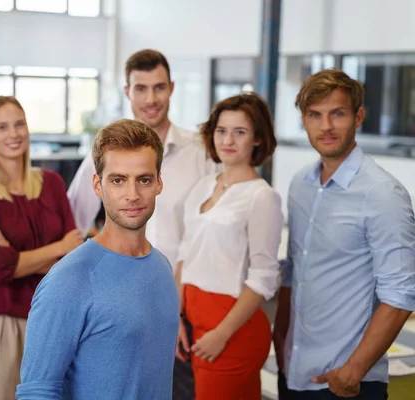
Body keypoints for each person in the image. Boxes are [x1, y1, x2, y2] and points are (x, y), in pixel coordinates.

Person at [273, 69, 415, 399]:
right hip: (293, 371)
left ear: (359, 116)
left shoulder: (382, 193)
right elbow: (293, 272)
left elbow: (402, 292)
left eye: (337, 113)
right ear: (304, 120)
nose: (326, 127)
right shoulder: (299, 185)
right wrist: (279, 342)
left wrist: (354, 370)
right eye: (315, 115)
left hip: (347, 382)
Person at [16, 119, 180, 400]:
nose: (132, 195)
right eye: (118, 180)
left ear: (159, 183)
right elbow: (37, 392)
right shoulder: (68, 280)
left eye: (143, 179)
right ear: (97, 185)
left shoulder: (162, 267)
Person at [0, 96, 83, 400]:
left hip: (53, 315)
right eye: (2, 127)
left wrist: (15, 256)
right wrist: (57, 248)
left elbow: (74, 257)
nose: (13, 134)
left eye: (19, 124)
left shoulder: (52, 183)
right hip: (0, 318)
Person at [67, 49, 218, 269]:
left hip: (186, 287)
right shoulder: (106, 151)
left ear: (171, 88)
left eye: (159, 88)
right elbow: (73, 222)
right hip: (121, 283)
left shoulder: (201, 151)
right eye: (141, 89)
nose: (151, 99)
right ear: (127, 92)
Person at [175, 93, 283, 399]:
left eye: (240, 132)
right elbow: (185, 256)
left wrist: (221, 335)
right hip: (195, 324)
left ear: (258, 140)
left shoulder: (261, 197)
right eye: (221, 130)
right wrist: (176, 319)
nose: (228, 140)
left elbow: (263, 278)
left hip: (232, 332)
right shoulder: (203, 186)